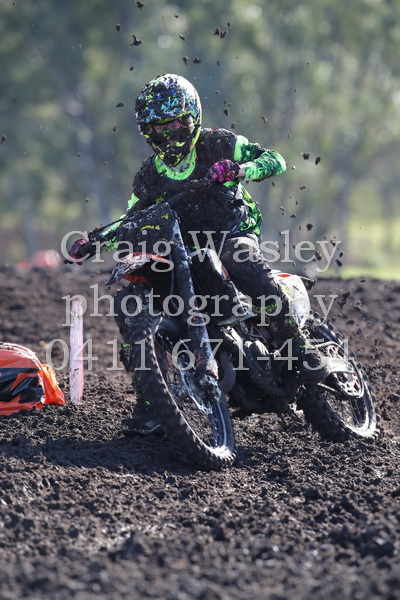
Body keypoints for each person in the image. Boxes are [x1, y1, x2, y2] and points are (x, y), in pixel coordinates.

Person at [68, 73, 327, 435]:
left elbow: (275, 160)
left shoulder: (218, 144)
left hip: (232, 231)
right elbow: (132, 217)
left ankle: (298, 347)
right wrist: (95, 241)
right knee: (128, 302)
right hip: (185, 247)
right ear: (147, 131)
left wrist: (239, 169)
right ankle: (151, 402)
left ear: (192, 118)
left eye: (175, 124)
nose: (168, 134)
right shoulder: (149, 176)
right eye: (158, 128)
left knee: (242, 262)